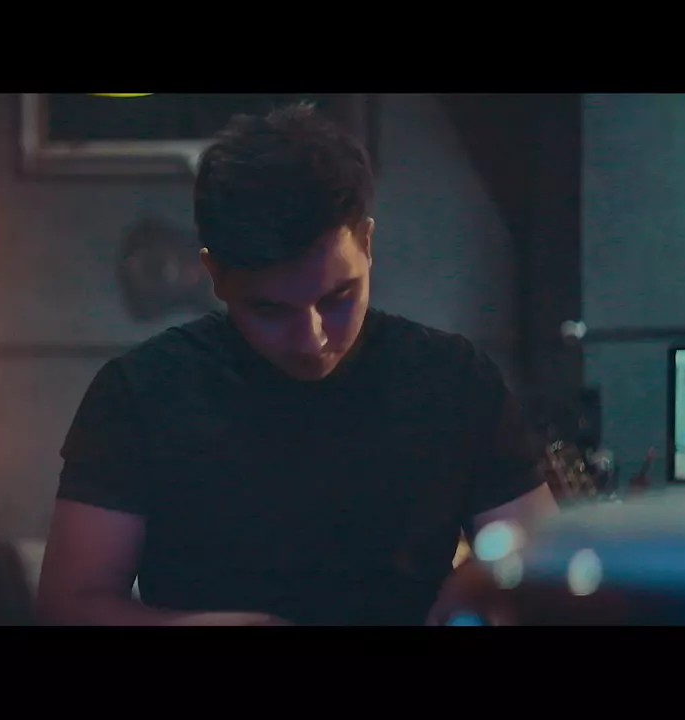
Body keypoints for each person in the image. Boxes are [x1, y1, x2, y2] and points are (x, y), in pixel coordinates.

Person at [35, 102, 559, 626]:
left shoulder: (453, 379)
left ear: (367, 244)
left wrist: (486, 582)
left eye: (338, 297)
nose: (313, 340)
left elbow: (546, 568)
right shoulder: (139, 395)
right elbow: (68, 607)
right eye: (270, 310)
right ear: (215, 276)